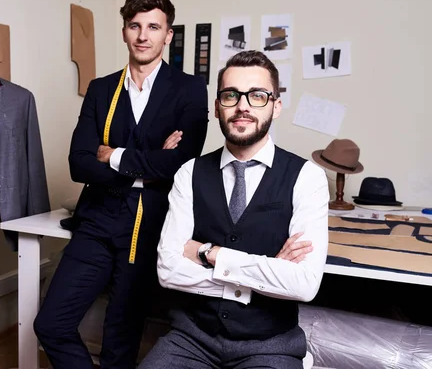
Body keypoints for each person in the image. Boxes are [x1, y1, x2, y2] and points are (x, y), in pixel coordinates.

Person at [33, 0, 209, 369]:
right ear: (125, 31)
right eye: (135, 26)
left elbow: (183, 163)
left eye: (153, 27)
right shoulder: (101, 89)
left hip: (150, 224)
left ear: (168, 35)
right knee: (50, 324)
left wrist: (113, 155)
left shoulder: (190, 89)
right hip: (96, 219)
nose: (143, 35)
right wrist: (151, 162)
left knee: (120, 335)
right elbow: (79, 164)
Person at [140, 50, 329, 369]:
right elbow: (168, 270)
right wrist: (264, 275)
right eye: (231, 95)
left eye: (257, 95)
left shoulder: (307, 176)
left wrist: (209, 253)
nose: (242, 105)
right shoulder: (190, 173)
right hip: (191, 338)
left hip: (271, 346)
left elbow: (303, 284)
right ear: (217, 107)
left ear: (276, 105)